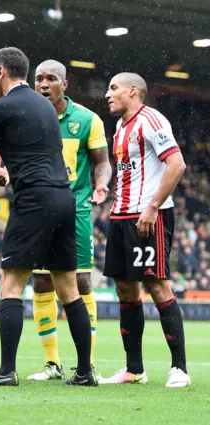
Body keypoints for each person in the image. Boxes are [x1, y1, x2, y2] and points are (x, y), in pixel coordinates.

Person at [0, 47, 96, 386]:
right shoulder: (45, 106)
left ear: (0, 72)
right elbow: (33, 151)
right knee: (68, 289)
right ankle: (84, 372)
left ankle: (6, 372)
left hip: (34, 200)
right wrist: (11, 175)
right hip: (64, 198)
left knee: (11, 285)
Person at [99, 73, 190, 388]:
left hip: (148, 217)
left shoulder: (151, 120)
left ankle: (179, 369)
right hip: (120, 216)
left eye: (114, 88)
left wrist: (152, 207)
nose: (108, 94)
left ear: (133, 91)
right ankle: (133, 369)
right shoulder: (120, 127)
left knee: (157, 286)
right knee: (125, 289)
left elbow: (176, 164)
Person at [27, 60, 112, 381]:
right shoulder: (28, 117)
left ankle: (85, 363)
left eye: (51, 79)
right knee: (41, 281)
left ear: (65, 84)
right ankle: (52, 363)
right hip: (37, 210)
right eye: (39, 79)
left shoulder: (87, 120)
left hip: (75, 209)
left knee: (81, 282)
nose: (44, 84)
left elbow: (102, 163)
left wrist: (102, 182)